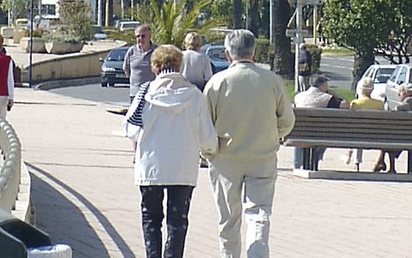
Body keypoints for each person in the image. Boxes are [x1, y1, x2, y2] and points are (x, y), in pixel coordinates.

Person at [203, 29, 295, 258]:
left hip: (225, 158)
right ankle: (257, 253)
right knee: (259, 212)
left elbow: (204, 125)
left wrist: (209, 151)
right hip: (262, 157)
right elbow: (287, 119)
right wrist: (275, 136)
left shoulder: (217, 82)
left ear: (227, 54)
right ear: (254, 53)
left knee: (228, 219)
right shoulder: (271, 80)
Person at [125, 44, 217, 258]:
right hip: (183, 169)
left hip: (151, 168)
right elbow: (206, 135)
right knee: (177, 223)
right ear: (180, 65)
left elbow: (130, 129)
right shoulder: (194, 95)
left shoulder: (144, 93)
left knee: (151, 218)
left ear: (155, 67)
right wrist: (212, 150)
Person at [293, 74, 348, 171]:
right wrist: (333, 93)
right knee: (325, 133)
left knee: (302, 133)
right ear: (321, 85)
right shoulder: (326, 98)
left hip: (299, 133)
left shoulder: (298, 97)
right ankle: (315, 159)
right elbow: (346, 104)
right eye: (326, 84)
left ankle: (297, 164)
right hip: (319, 134)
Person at [372, 84, 412, 173]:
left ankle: (386, 165)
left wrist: (393, 109)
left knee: (390, 140)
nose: (399, 94)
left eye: (400, 91)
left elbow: (399, 109)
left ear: (407, 92)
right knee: (390, 139)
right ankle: (381, 162)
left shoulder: (409, 100)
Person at [349, 76, 384, 170]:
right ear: (372, 89)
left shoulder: (355, 103)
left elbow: (351, 122)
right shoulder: (380, 104)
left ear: (361, 89)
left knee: (357, 132)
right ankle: (380, 161)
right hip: (376, 136)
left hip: (358, 134)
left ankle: (357, 164)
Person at [124, 24, 157, 99]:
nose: (140, 38)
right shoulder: (131, 51)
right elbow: (127, 70)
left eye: (143, 36)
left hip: (152, 94)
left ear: (149, 37)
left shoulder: (157, 51)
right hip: (135, 94)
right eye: (138, 36)